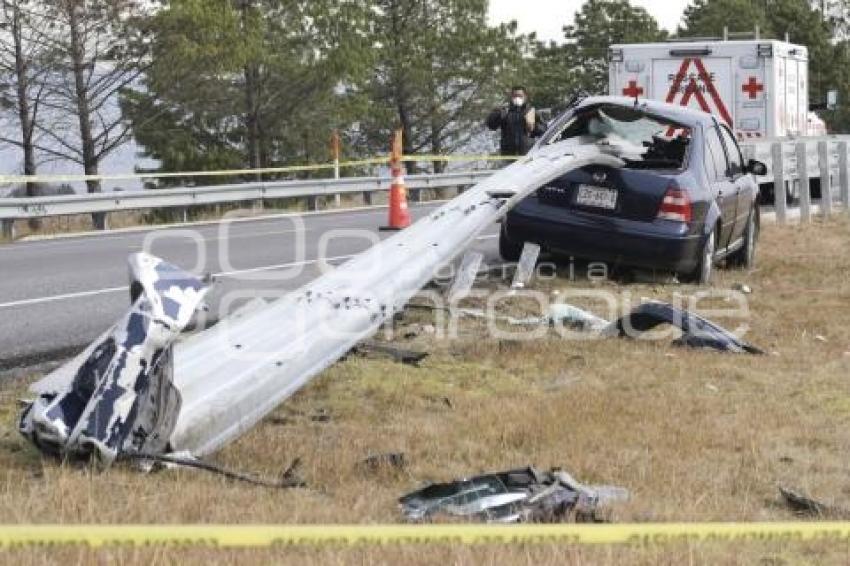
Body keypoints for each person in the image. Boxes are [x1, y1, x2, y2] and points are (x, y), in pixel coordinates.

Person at [486, 86, 546, 156]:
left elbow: (544, 130)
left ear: (525, 97)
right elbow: (491, 126)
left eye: (520, 96)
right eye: (515, 96)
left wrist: (534, 127)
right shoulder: (505, 112)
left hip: (528, 153)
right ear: (511, 97)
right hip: (508, 154)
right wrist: (496, 113)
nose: (517, 98)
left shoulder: (531, 111)